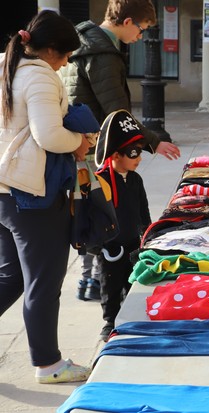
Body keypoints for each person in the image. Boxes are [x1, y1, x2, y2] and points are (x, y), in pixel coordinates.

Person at [58, 0, 181, 301]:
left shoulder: (83, 40)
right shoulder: (104, 54)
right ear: (127, 22)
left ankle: (89, 280)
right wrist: (152, 141)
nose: (140, 36)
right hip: (96, 147)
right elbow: (116, 112)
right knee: (100, 210)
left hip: (80, 142)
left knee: (85, 207)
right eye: (141, 29)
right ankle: (100, 281)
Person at [0, 10, 93, 384]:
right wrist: (80, 144)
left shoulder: (7, 66)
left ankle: (47, 361)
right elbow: (50, 136)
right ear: (51, 49)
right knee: (43, 279)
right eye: (66, 54)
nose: (66, 62)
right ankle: (49, 364)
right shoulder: (38, 75)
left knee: (11, 276)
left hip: (6, 188)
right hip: (30, 193)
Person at [94, 109, 152, 341]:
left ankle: (131, 317)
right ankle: (110, 321)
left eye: (139, 153)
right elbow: (94, 217)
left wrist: (148, 235)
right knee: (110, 284)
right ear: (116, 155)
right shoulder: (102, 181)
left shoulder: (136, 179)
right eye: (133, 153)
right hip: (110, 248)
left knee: (132, 281)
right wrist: (100, 245)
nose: (138, 159)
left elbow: (143, 211)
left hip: (133, 243)